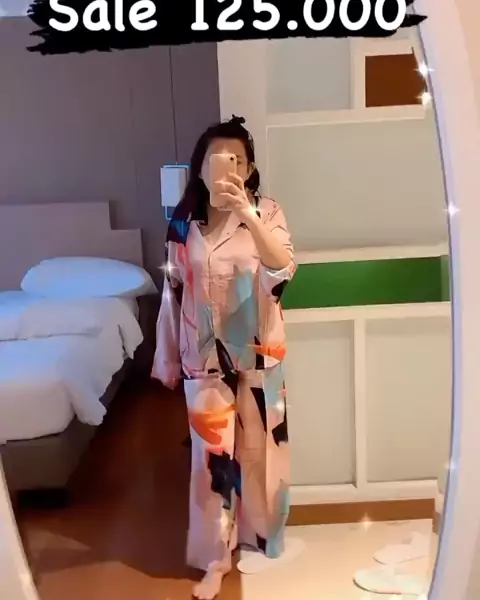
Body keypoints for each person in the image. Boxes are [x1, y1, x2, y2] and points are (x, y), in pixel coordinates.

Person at [152, 115, 297, 600]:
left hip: (259, 354)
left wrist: (247, 215)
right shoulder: (182, 223)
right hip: (204, 357)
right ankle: (216, 559)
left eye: (237, 159)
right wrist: (167, 358)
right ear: (200, 168)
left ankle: (263, 540)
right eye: (217, 158)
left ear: (250, 168)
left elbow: (283, 269)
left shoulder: (268, 212)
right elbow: (172, 293)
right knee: (212, 462)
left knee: (260, 452)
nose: (227, 167)